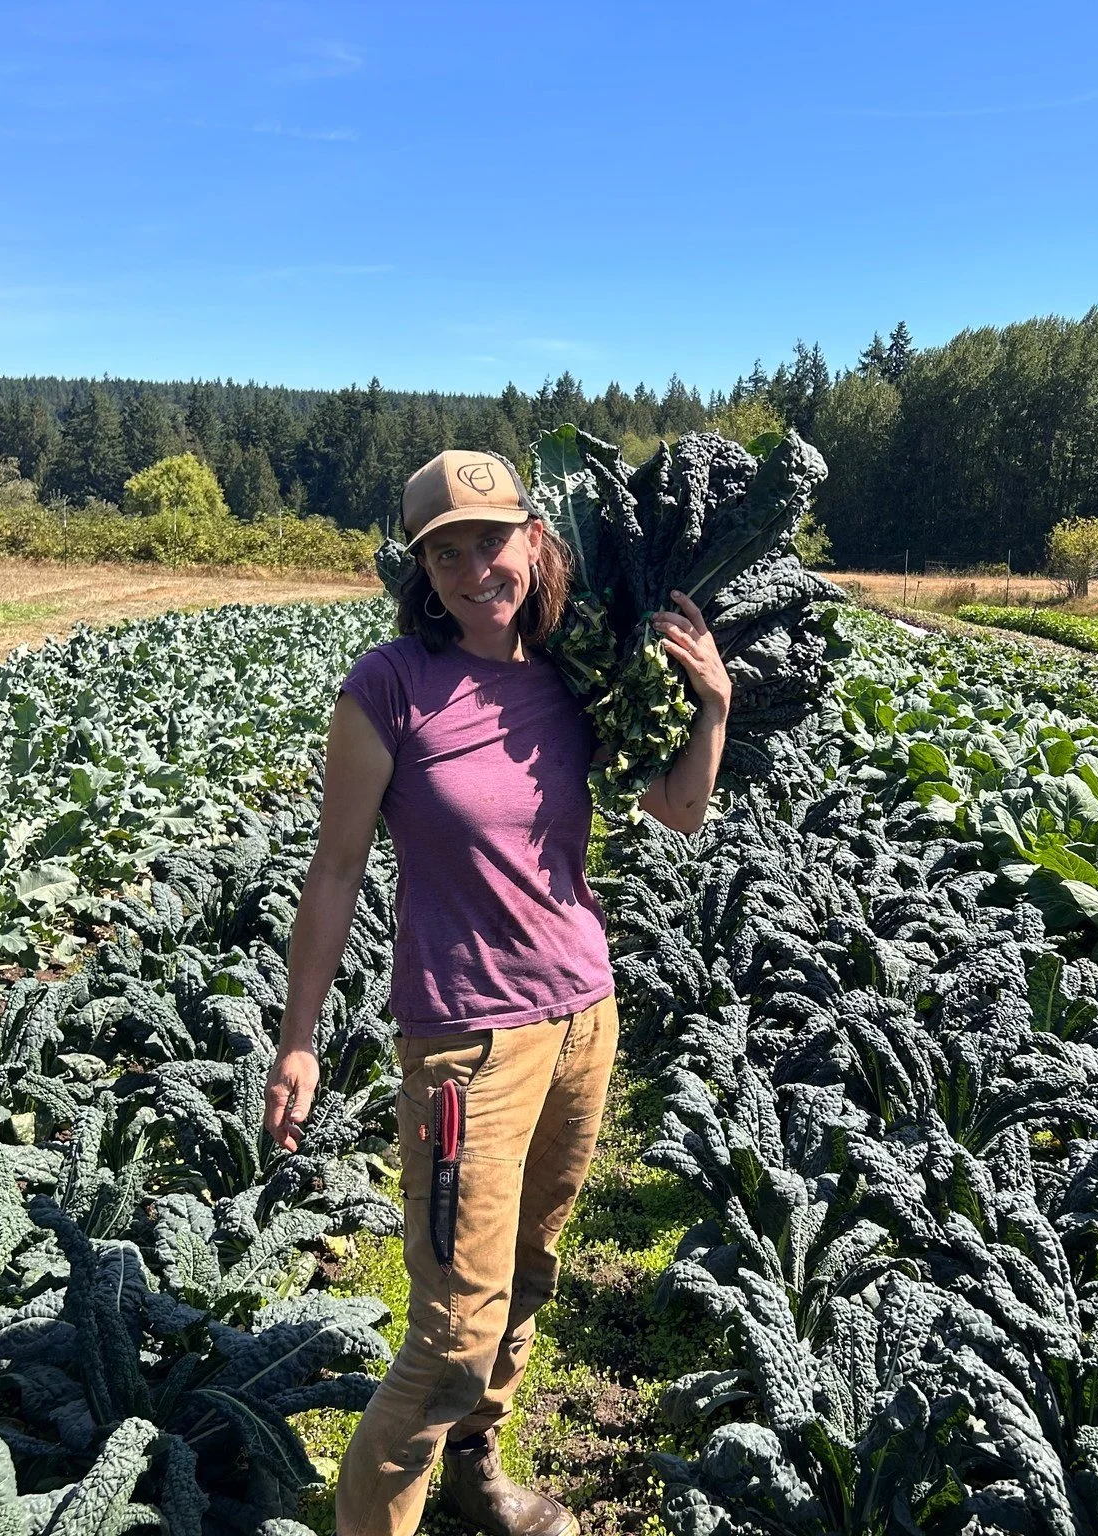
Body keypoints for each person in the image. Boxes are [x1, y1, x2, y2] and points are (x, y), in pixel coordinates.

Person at [262, 449, 731, 1536]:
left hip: (582, 1018)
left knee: (527, 1274)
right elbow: (335, 871)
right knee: (450, 1336)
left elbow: (678, 810)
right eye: (448, 554)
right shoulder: (389, 687)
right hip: (466, 1045)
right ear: (423, 572)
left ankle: (477, 1475)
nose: (477, 570)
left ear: (534, 541)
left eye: (493, 541)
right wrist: (300, 1037)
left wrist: (711, 706)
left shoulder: (579, 673)